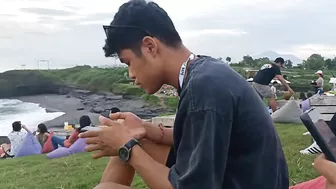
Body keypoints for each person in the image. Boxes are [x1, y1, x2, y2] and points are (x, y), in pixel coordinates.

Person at [79, 1, 289, 189]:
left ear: (150, 46)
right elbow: (203, 135)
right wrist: (146, 130)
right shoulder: (204, 71)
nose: (131, 75)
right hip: (236, 176)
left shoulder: (205, 88)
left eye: (128, 63)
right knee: (134, 140)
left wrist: (126, 147)